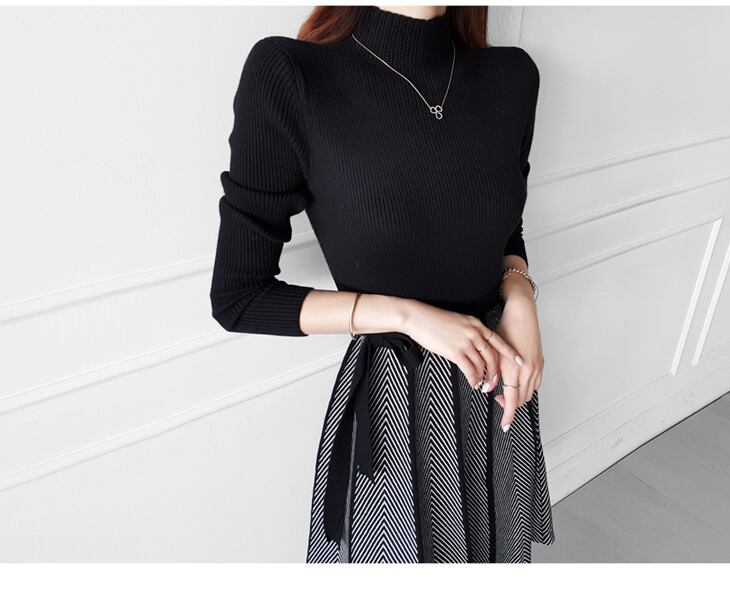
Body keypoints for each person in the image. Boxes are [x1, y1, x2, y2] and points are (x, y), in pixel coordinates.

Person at [210, 4, 555, 563]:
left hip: (498, 380)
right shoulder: (290, 74)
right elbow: (238, 297)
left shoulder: (513, 76)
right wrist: (406, 316)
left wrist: (519, 293)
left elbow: (501, 222)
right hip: (394, 402)